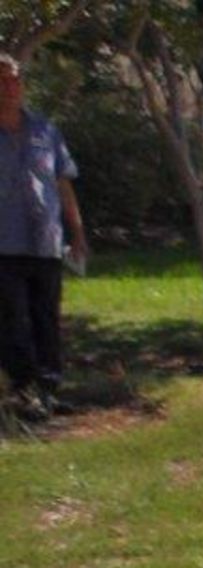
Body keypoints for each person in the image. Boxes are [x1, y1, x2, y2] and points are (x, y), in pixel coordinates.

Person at [0, 51, 86, 419]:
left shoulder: (45, 130)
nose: (10, 87)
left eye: (15, 79)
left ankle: (49, 388)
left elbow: (63, 184)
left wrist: (77, 233)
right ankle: (23, 392)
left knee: (46, 318)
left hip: (46, 242)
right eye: (2, 81)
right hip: (4, 244)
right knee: (12, 320)